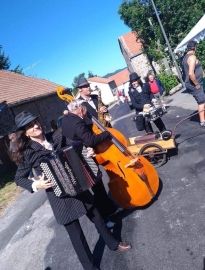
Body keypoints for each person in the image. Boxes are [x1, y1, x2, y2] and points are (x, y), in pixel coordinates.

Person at [9, 111, 131, 270]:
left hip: (79, 186)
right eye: (30, 126)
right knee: (77, 236)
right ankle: (90, 267)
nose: (36, 126)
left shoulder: (57, 136)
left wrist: (88, 152)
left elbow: (78, 147)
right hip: (60, 198)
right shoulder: (28, 153)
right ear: (25, 132)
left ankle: (113, 244)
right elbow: (19, 178)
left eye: (35, 122)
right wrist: (36, 185)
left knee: (98, 218)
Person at [61, 100, 118, 220]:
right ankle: (107, 211)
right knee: (97, 184)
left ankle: (106, 208)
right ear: (80, 110)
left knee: (95, 186)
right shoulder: (78, 122)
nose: (85, 116)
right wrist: (106, 134)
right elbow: (90, 141)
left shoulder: (65, 119)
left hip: (75, 156)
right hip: (85, 157)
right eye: (85, 114)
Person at [182, 40, 205, 127]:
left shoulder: (185, 57)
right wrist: (196, 84)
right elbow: (191, 73)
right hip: (194, 84)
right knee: (202, 102)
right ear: (194, 48)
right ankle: (203, 121)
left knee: (202, 100)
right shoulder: (192, 57)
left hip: (191, 84)